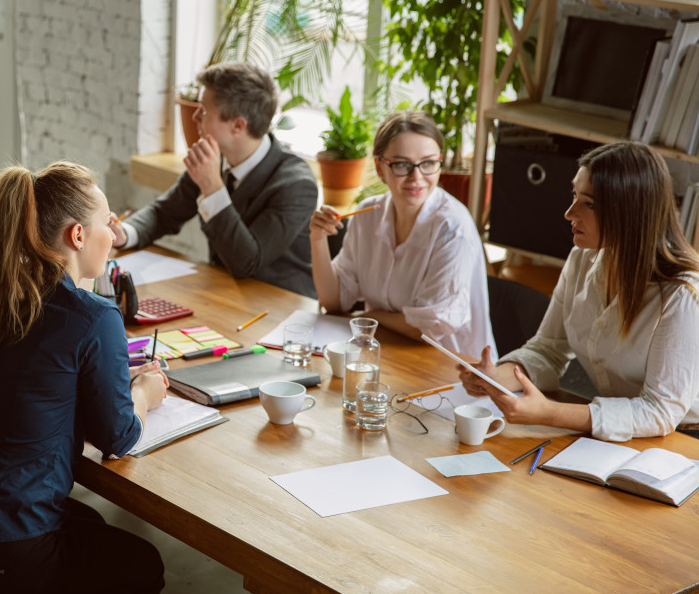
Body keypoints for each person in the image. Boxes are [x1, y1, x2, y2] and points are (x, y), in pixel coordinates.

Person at [0, 162, 167, 594]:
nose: (114, 234)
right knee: (144, 563)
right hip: (6, 545)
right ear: (78, 235)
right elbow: (118, 437)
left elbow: (36, 380)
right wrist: (144, 393)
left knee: (90, 522)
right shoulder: (94, 317)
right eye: (108, 222)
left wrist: (107, 381)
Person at [460, 142, 699, 442]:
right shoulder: (582, 259)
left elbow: (660, 411)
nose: (569, 213)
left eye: (589, 204)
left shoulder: (682, 295)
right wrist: (496, 377)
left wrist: (549, 413)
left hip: (682, 439)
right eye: (575, 195)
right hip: (621, 433)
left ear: (629, 213)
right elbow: (548, 350)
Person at [111, 62, 318, 297]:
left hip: (280, 304)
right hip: (223, 292)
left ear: (238, 125)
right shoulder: (215, 158)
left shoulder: (296, 185)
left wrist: (212, 186)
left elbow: (246, 262)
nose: (195, 116)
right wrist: (125, 233)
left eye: (205, 110)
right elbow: (165, 213)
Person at [309, 111, 495, 358]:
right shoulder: (367, 214)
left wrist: (370, 317)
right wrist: (318, 239)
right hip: (387, 351)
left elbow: (429, 328)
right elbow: (334, 301)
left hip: (453, 365)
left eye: (428, 163)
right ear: (380, 167)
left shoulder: (452, 228)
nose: (416, 177)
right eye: (402, 165)